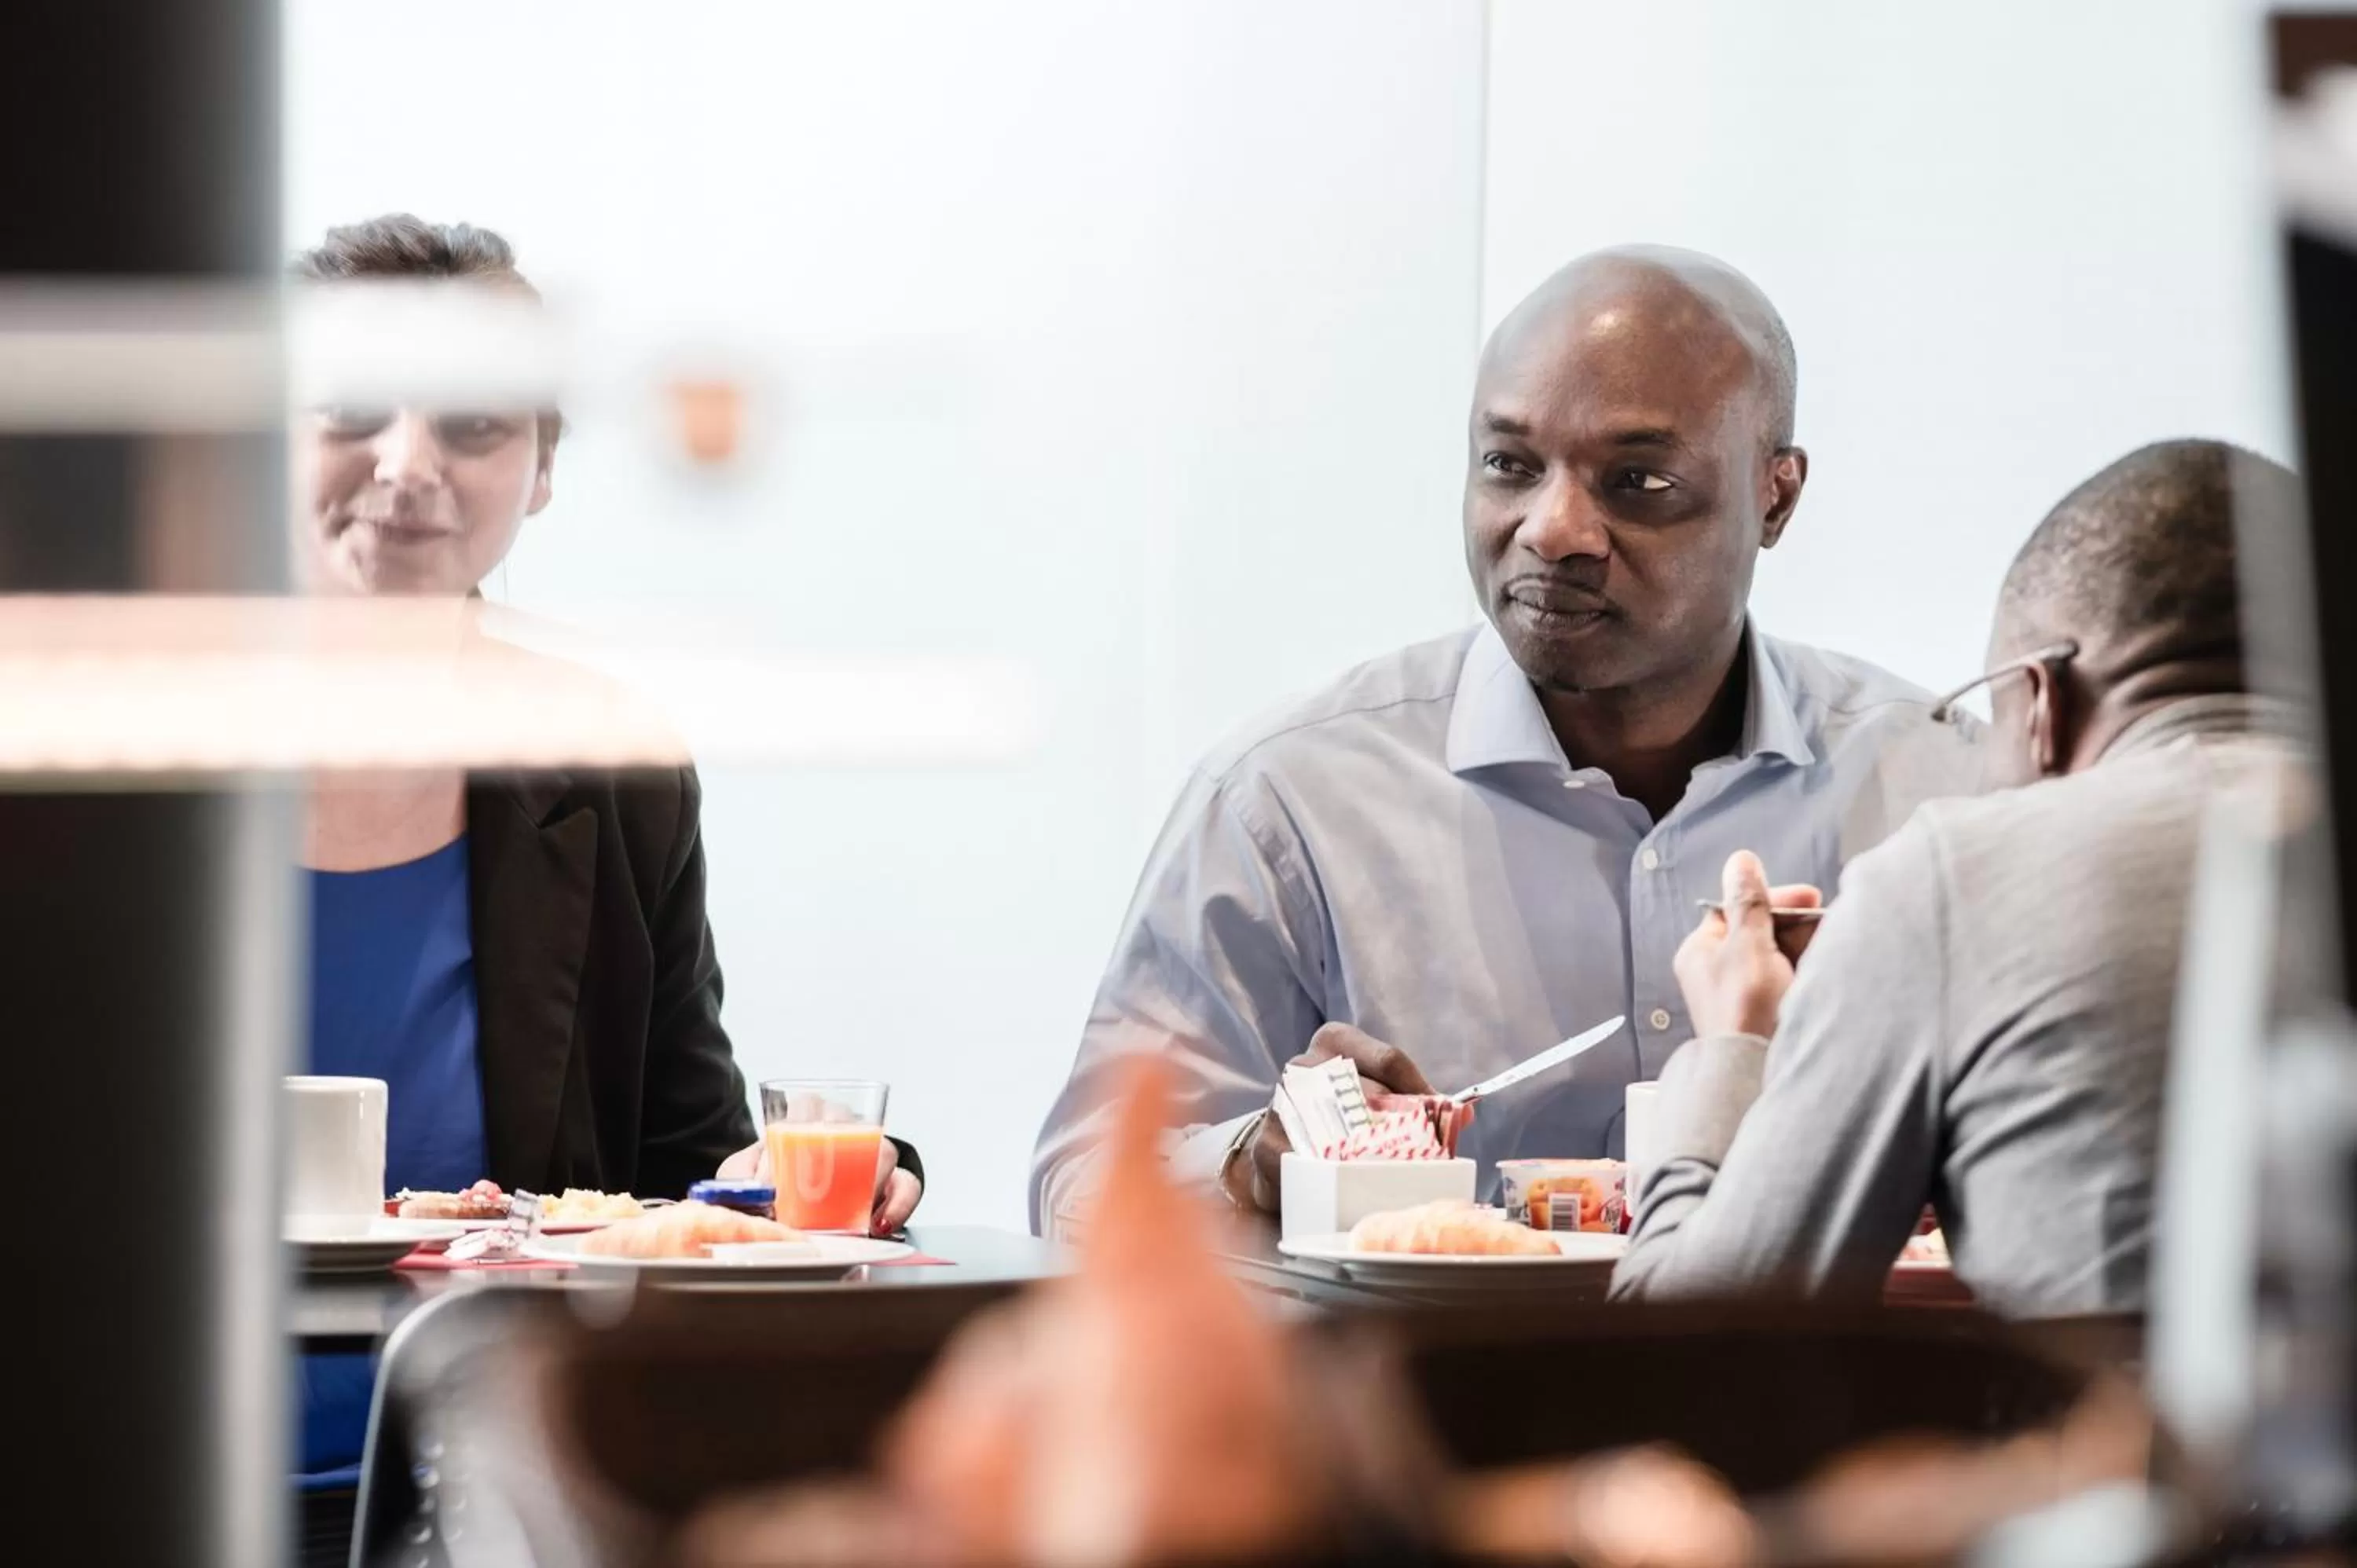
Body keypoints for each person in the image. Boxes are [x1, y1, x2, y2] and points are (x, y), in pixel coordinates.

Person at [1032, 246, 1978, 1236]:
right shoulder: (1291, 802)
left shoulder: (1944, 791)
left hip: (1856, 1387)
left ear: (1775, 496)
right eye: (1509, 466)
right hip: (1433, 1388)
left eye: (1638, 480)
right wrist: (1252, 1159)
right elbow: (1080, 1195)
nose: (1554, 528)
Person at [289, 215, 922, 1501]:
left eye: (476, 425)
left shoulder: (610, 760)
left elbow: (673, 1164)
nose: (409, 464)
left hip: (490, 1503)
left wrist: (789, 1188)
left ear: (540, 471)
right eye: (353, 407)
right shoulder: (89, 733)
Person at [1612, 439, 2306, 1315]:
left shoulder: (1955, 876)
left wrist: (1732, 1048)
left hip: (2145, 1451)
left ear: (2042, 702)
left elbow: (1688, 1352)